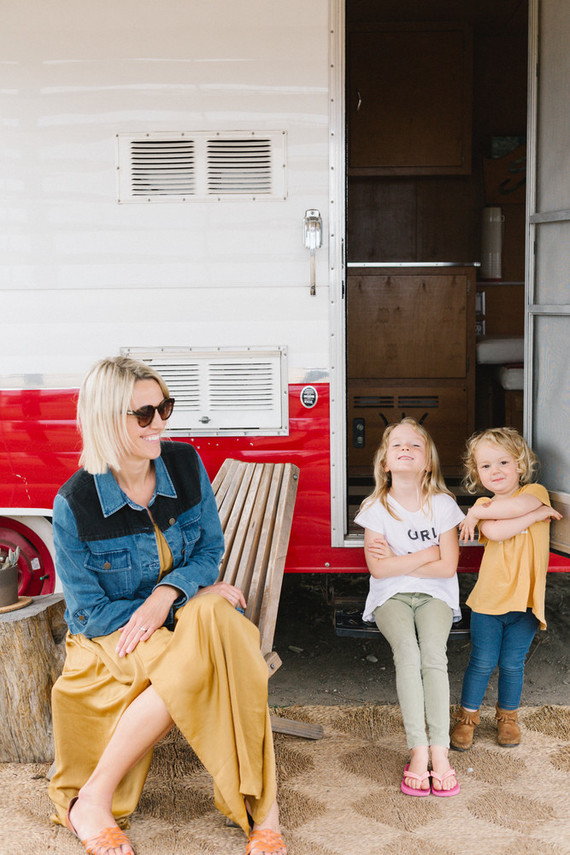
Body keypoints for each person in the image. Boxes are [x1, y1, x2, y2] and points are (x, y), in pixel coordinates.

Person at [48, 356, 286, 855]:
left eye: (165, 407)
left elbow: (208, 551)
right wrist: (176, 604)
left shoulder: (182, 461)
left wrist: (171, 595)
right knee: (211, 651)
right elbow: (89, 612)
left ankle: (264, 807)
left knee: (220, 618)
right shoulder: (76, 503)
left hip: (176, 611)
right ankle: (259, 811)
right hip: (113, 635)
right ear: (107, 420)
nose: (161, 423)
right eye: (144, 415)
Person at [354, 418, 463, 797]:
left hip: (436, 594)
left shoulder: (443, 505)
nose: (405, 449)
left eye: (414, 445)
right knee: (408, 653)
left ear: (428, 461)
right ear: (384, 462)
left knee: (434, 654)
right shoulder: (376, 508)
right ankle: (418, 750)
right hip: (390, 596)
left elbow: (448, 567)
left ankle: (440, 751)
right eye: (396, 445)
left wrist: (403, 558)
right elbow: (379, 569)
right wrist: (426, 552)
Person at [451, 427, 562, 751]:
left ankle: (507, 718)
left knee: (514, 664)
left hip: (526, 603)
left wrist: (534, 509)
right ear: (476, 473)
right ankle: (467, 718)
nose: (495, 471)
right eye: (485, 466)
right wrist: (536, 517)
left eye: (503, 462)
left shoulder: (536, 493)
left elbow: (514, 510)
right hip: (489, 601)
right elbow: (498, 533)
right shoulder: (485, 505)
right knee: (482, 661)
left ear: (520, 465)